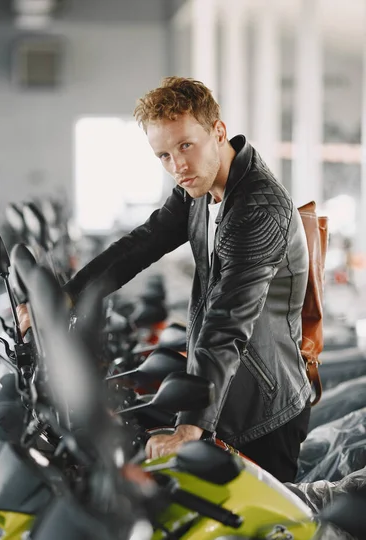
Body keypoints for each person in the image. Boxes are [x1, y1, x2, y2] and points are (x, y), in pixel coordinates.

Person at [17, 77, 312, 482]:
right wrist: (67, 296)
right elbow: (141, 244)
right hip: (221, 390)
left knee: (256, 537)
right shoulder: (199, 190)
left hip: (260, 409)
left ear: (218, 132)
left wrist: (190, 423)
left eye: (186, 146)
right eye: (164, 156)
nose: (178, 166)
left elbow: (227, 321)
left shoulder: (257, 209)